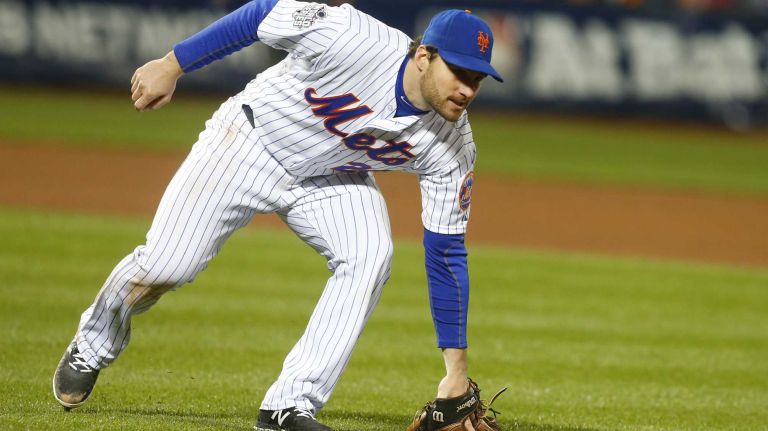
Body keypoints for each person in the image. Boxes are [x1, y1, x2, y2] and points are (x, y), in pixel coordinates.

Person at [52, 0, 503, 429]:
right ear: (424, 55)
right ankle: (92, 346)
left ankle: (289, 406)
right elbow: (259, 14)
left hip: (329, 176)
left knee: (370, 255)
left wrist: (455, 372)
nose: (467, 88)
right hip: (250, 141)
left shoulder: (453, 148)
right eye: (458, 71)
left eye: (477, 78)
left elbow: (445, 253)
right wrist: (173, 64)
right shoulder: (352, 36)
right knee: (166, 266)